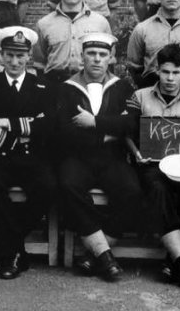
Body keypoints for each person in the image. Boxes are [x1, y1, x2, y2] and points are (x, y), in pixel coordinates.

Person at [0, 26, 57, 279]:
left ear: (30, 56)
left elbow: (48, 126)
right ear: (1, 55)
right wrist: (25, 129)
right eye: (9, 55)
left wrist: (7, 123)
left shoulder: (43, 86)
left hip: (33, 157)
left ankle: (6, 243)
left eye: (21, 56)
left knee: (49, 186)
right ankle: (15, 249)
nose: (15, 61)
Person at [56, 32, 141, 282]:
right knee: (67, 185)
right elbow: (63, 131)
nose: (96, 59)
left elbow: (131, 124)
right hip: (77, 157)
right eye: (91, 54)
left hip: (112, 158)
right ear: (81, 56)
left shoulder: (123, 86)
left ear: (111, 58)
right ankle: (104, 254)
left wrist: (93, 122)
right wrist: (107, 133)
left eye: (102, 55)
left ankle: (94, 252)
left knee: (132, 190)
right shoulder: (66, 88)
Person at [125, 43, 180, 288]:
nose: (170, 78)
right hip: (151, 163)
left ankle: (171, 257)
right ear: (157, 71)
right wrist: (137, 153)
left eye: (176, 72)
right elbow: (127, 133)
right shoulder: (140, 97)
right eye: (165, 72)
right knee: (158, 189)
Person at [34, 0, 112, 85]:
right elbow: (39, 63)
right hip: (55, 83)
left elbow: (109, 61)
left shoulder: (100, 23)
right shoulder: (44, 24)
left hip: (87, 84)